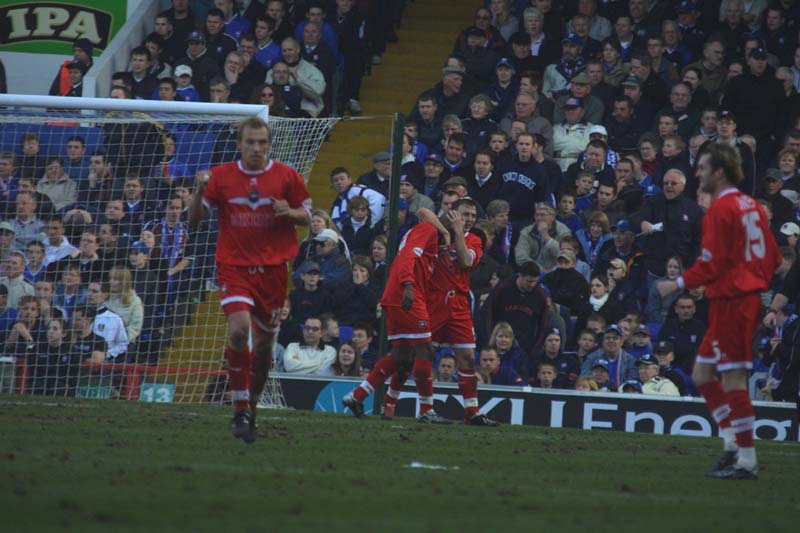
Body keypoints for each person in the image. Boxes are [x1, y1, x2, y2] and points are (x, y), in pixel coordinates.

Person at [657, 143, 781, 479]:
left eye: (703, 168)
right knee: (702, 374)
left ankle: (747, 459)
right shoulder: (751, 205)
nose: (697, 173)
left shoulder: (720, 210)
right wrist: (754, 279)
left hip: (734, 303)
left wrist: (676, 282)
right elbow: (774, 257)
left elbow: (710, 265)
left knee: (734, 380)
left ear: (720, 172)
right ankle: (730, 445)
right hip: (736, 299)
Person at [188, 117, 311, 443]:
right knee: (240, 329)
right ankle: (239, 406)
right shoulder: (222, 177)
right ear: (239, 144)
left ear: (269, 145)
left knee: (264, 351)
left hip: (273, 272)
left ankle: (251, 407)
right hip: (234, 268)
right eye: (250, 142)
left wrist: (290, 212)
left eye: (262, 142)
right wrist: (198, 190)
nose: (256, 148)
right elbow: (195, 220)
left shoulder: (287, 176)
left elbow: (309, 217)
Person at [382, 200, 499, 425]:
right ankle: (391, 401)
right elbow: (422, 211)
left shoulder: (474, 239)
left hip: (459, 306)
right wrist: (446, 230)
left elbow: (465, 261)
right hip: (432, 301)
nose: (470, 219)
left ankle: (471, 412)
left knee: (466, 356)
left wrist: (456, 232)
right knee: (411, 354)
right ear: (453, 213)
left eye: (474, 215)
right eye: (466, 214)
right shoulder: (436, 230)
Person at [342, 217, 451, 423]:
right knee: (424, 350)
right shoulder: (428, 230)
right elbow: (407, 257)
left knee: (402, 356)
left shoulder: (428, 238)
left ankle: (357, 396)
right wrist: (408, 285)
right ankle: (427, 409)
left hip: (395, 296)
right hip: (406, 295)